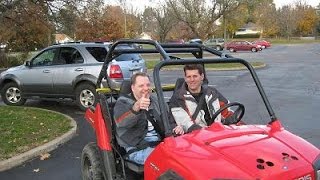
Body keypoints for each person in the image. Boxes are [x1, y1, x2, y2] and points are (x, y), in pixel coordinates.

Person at [113, 72, 183, 165]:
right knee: (168, 161)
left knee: (184, 155)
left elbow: (168, 119)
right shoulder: (123, 103)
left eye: (148, 85)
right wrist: (135, 108)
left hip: (160, 144)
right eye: (141, 86)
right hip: (137, 148)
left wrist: (176, 127)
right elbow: (121, 122)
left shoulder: (156, 101)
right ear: (133, 88)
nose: (146, 88)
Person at [169, 64, 235, 133]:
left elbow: (227, 111)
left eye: (195, 76)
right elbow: (186, 124)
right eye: (189, 77)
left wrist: (234, 121)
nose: (192, 80)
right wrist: (208, 132)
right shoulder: (178, 99)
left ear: (202, 76)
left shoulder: (212, 93)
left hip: (218, 133)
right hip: (195, 137)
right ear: (185, 78)